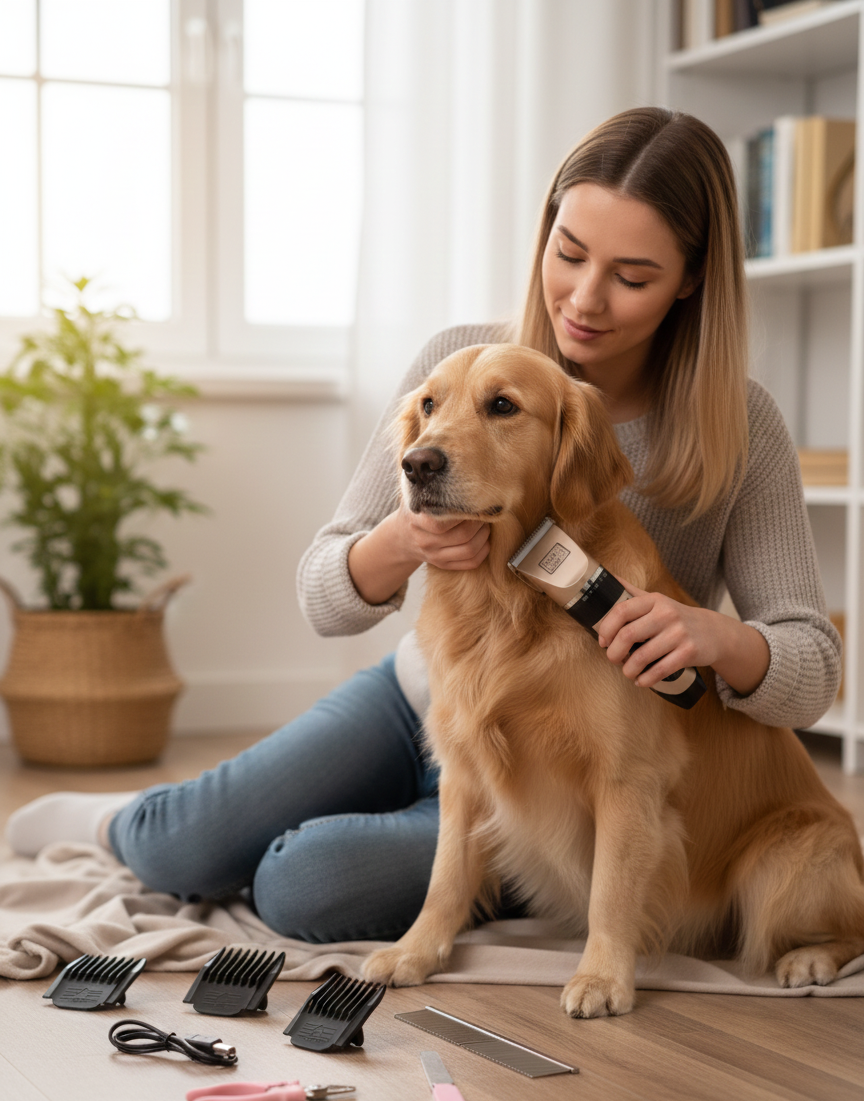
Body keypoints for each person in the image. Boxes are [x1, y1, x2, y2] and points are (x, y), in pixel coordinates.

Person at [6, 107, 841, 945]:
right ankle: (129, 819)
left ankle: (508, 863)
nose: (583, 299)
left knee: (302, 882)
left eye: (631, 275)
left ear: (692, 278)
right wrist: (406, 538)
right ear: (545, 233)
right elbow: (324, 591)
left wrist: (716, 637)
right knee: (180, 845)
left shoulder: (739, 425)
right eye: (569, 252)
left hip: (571, 772)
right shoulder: (458, 365)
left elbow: (814, 668)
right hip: (426, 700)